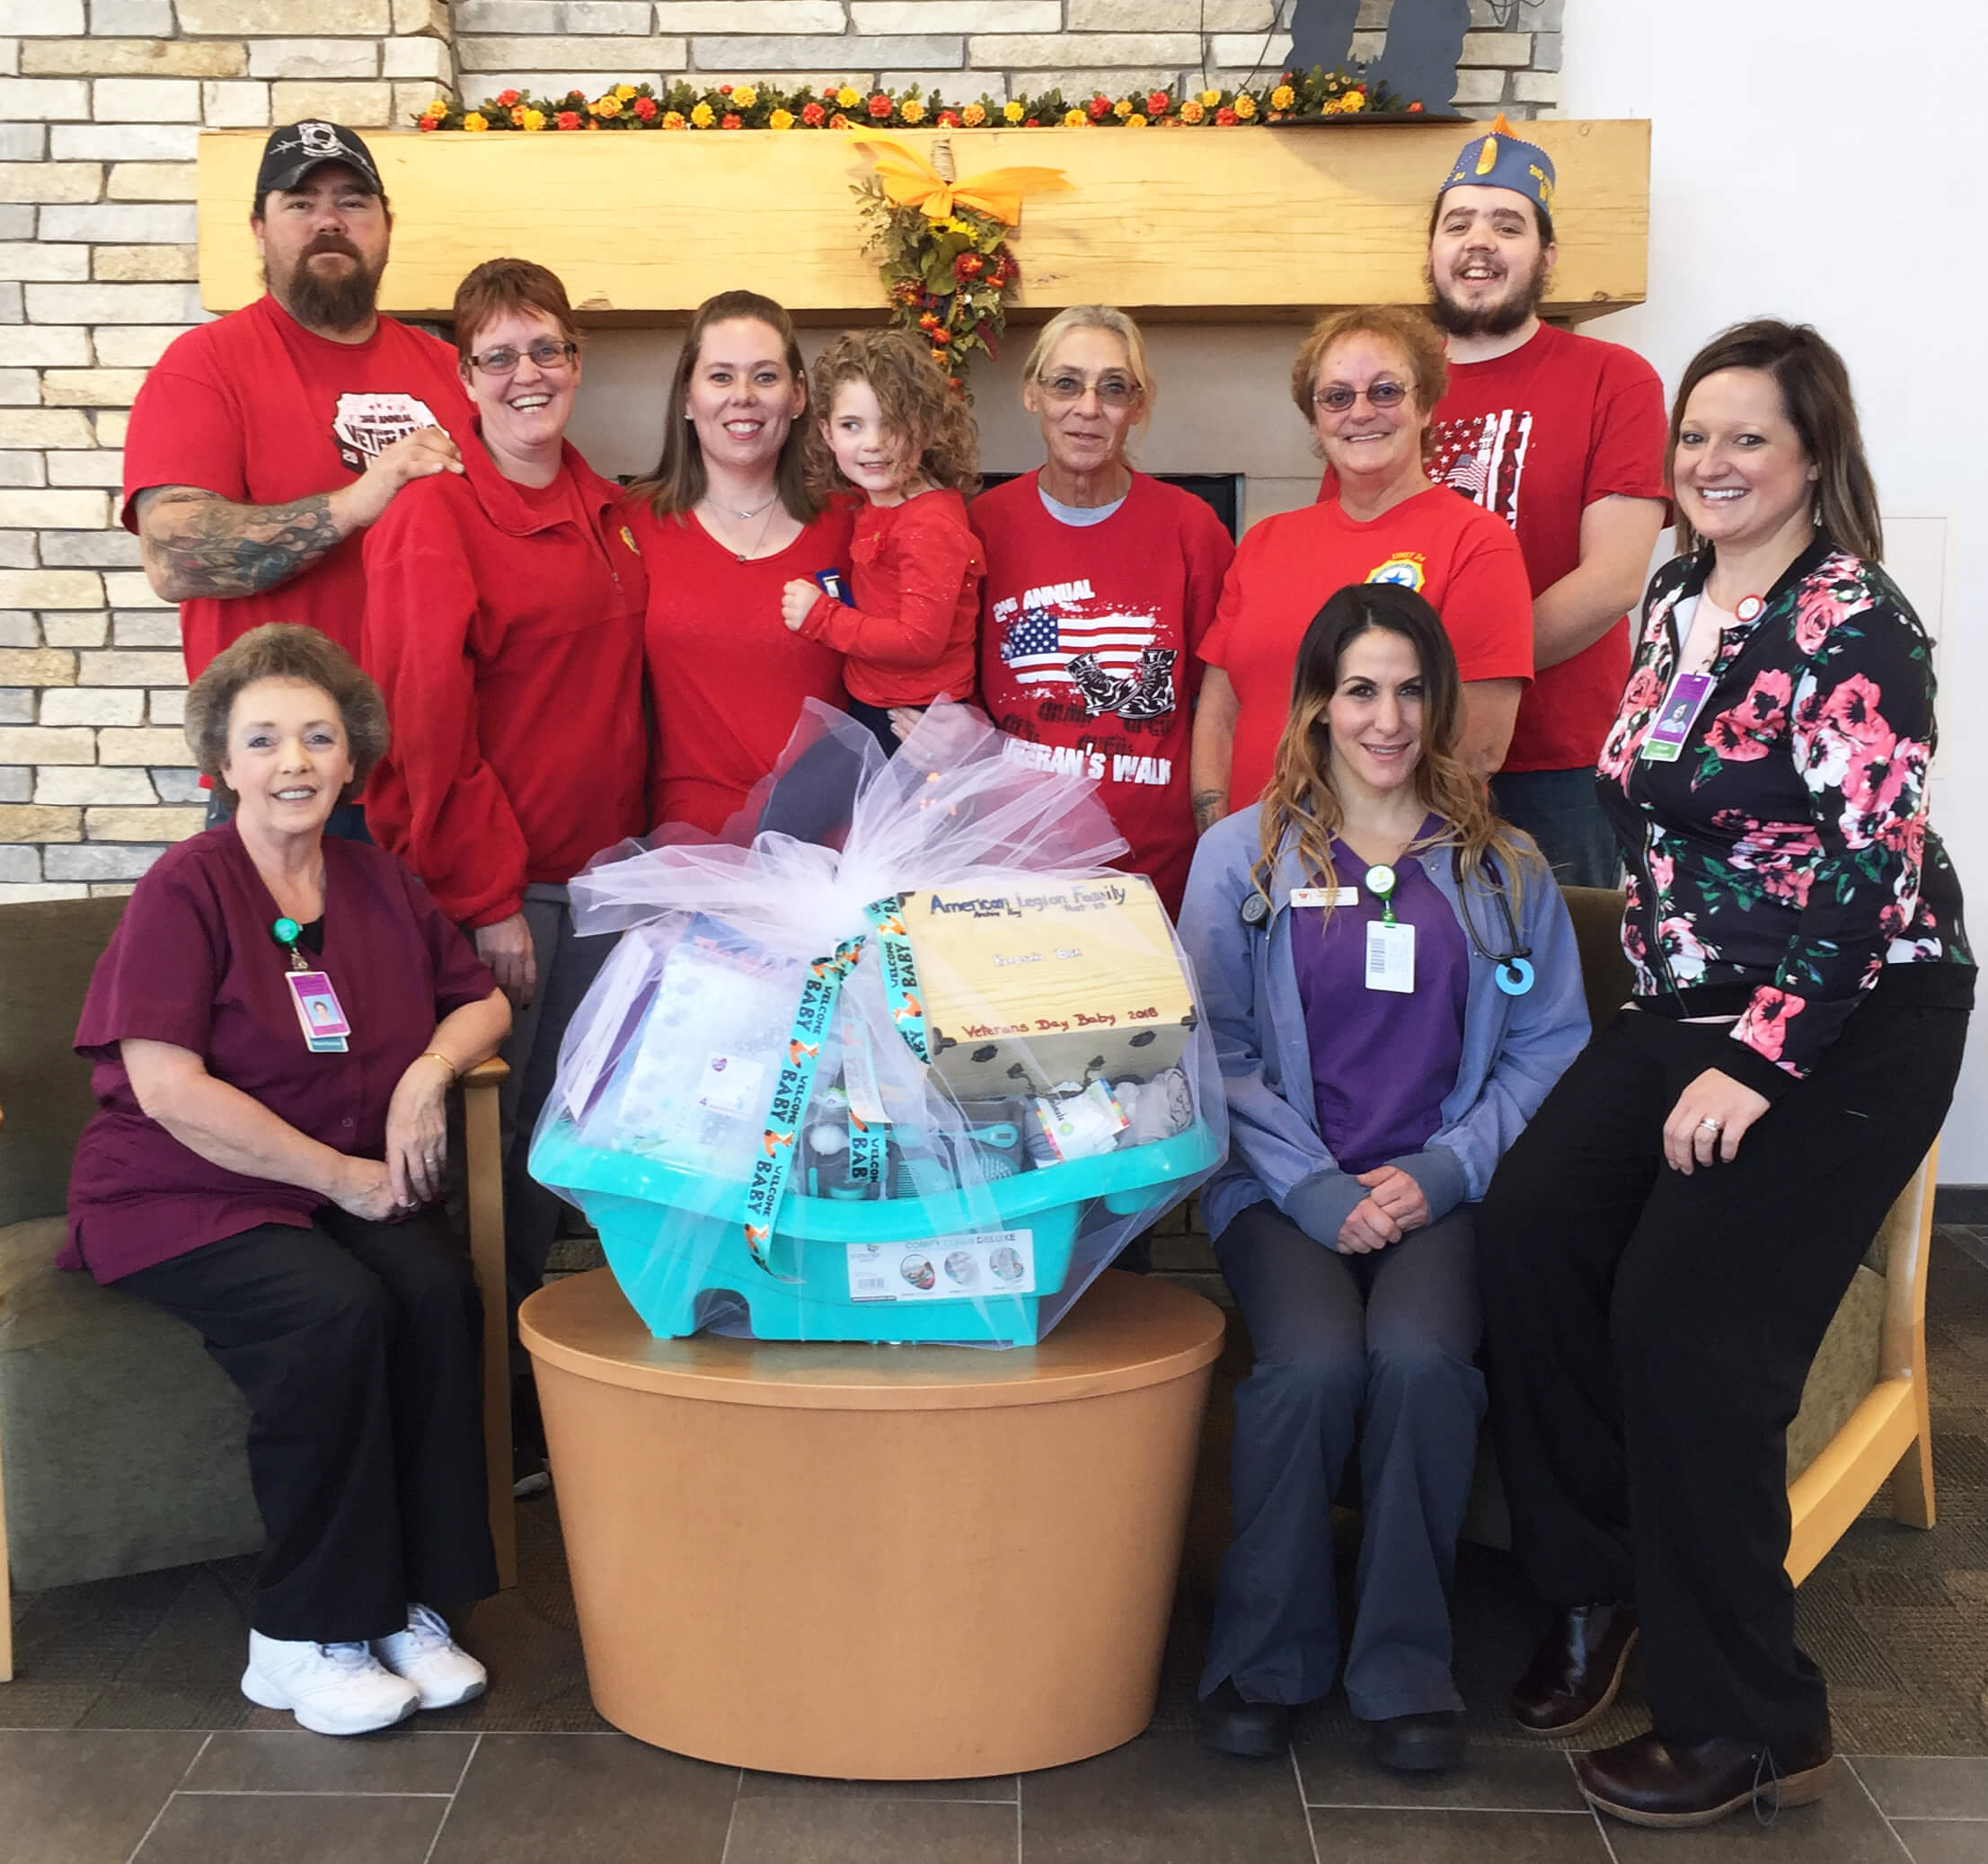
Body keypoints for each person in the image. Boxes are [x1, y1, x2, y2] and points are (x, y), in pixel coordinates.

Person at [1476, 321, 1975, 1829]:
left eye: (1745, 437)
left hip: (1855, 1014)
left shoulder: (1850, 622)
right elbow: (1664, 830)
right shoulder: (1675, 596)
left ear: (1811, 456)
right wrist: (1667, 1021)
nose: (1709, 462)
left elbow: (1869, 867)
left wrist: (1755, 1062)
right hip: (1693, 1004)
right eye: (1694, 436)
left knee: (1684, 1317)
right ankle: (1596, 1586)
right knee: (1528, 1230)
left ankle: (1751, 1720)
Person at [61, 623, 511, 1736]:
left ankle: (405, 1601)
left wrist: (427, 1073)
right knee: (331, 1311)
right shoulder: (188, 886)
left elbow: (483, 998)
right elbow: (166, 1087)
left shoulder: (376, 878)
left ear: (353, 757)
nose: (294, 760)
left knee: (437, 1290)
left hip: (333, 1178)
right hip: (181, 1188)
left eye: (318, 736)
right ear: (222, 761)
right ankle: (300, 1633)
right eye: (263, 739)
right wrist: (343, 1177)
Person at [1178, 582, 1586, 1772]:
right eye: (1361, 687)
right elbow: (1214, 1044)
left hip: (1439, 1192)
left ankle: (1404, 1665)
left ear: (1439, 703)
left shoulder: (1500, 865)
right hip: (1284, 1190)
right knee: (1311, 1366)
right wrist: (1313, 1188)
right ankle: (1263, 1656)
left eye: (1411, 689)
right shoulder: (1237, 856)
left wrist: (1446, 1167)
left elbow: (1548, 1044)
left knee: (1419, 1364)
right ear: (1314, 703)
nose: (1388, 716)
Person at [359, 258, 649, 1387]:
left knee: (557, 1145)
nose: (528, 374)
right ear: (464, 379)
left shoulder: (605, 508)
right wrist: (484, 901)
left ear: (575, 362)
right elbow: (424, 724)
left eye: (548, 350)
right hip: (506, 896)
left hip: (601, 883)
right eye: (499, 356)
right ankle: (467, 1403)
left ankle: (516, 1387)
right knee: (495, 1148)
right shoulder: (436, 515)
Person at [1330, 114, 1670, 885]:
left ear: (1545, 257)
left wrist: (1450, 686)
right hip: (1393, 749)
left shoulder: (1614, 378)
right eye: (1457, 223)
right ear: (1430, 253)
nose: (1477, 242)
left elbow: (1613, 579)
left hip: (1555, 763)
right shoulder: (1382, 388)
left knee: (1557, 982)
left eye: (1507, 224)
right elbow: (1344, 558)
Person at [123, 122, 472, 834]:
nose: (328, 223)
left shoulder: (449, 369)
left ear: (384, 226)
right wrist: (356, 502)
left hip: (438, 775)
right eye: (300, 203)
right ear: (258, 229)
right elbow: (174, 558)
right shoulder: (204, 365)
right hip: (287, 784)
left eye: (351, 202)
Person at [1194, 306, 1533, 831]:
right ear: (1315, 418)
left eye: (1384, 391)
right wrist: (1218, 837)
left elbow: (1476, 747)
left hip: (1387, 872)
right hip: (1254, 861)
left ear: (1424, 404)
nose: (1360, 412)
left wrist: (1367, 860)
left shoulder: (1475, 542)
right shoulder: (1264, 541)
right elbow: (1217, 715)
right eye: (1336, 396)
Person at [974, 306, 1235, 917]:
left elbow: (1221, 702)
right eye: (1065, 383)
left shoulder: (1190, 527)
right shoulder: (982, 524)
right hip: (1014, 870)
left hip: (1157, 873)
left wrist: (1216, 830)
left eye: (1113, 387)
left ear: (1138, 406)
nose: (1087, 407)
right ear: (1032, 394)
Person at [630, 289, 858, 835]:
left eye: (764, 376)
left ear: (798, 395)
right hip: (689, 846)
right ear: (687, 397)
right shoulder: (631, 522)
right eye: (720, 377)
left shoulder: (854, 521)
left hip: (829, 844)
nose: (743, 397)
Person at [780, 328, 985, 754]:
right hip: (871, 700)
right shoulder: (875, 502)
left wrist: (822, 618)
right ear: (827, 433)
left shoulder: (929, 526)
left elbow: (918, 641)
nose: (873, 444)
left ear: (927, 428)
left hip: (912, 719)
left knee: (799, 813)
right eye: (852, 425)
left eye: (892, 424)